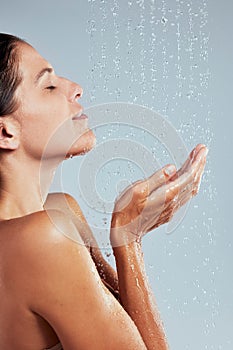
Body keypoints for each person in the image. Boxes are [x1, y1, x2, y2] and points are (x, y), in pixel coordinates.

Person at [0, 33, 208, 350]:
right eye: (49, 86)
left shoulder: (60, 213)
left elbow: (127, 330)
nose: (75, 89)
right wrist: (129, 239)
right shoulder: (42, 239)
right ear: (5, 131)